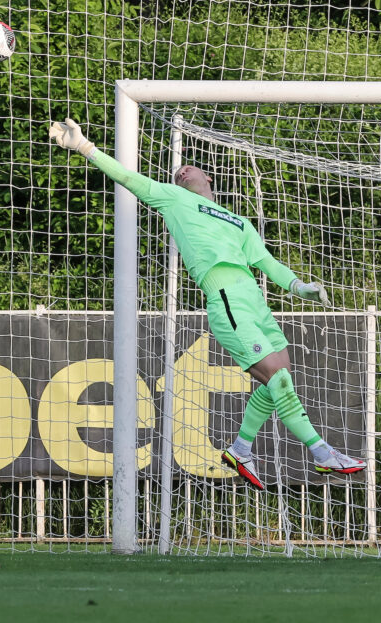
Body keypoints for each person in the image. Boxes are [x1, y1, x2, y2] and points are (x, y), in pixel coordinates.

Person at [49, 117, 365, 490]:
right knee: (278, 380)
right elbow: (129, 178)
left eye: (188, 166)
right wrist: (85, 147)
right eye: (177, 172)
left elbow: (266, 263)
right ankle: (323, 454)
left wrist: (300, 287)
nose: (181, 170)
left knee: (276, 382)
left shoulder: (237, 221)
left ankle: (240, 449)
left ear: (209, 178)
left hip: (256, 302)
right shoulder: (175, 198)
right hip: (226, 299)